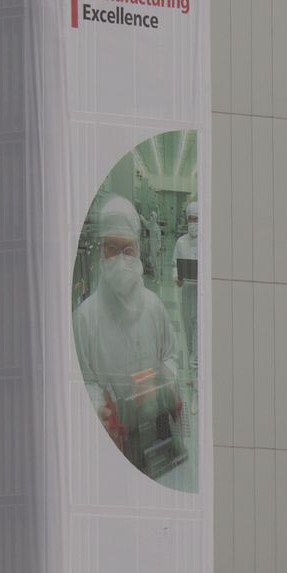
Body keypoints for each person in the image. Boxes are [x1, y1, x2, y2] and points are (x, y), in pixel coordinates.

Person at [74, 195, 187, 481]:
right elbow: (83, 380)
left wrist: (160, 382)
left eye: (128, 249)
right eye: (112, 249)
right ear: (100, 252)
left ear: (137, 250)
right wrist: (100, 408)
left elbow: (172, 355)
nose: (121, 259)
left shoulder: (153, 306)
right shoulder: (86, 318)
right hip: (113, 441)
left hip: (157, 437)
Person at [173, 199, 199, 370]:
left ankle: (196, 360)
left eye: (196, 219)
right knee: (187, 325)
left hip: (200, 292)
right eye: (190, 219)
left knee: (198, 324)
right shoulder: (181, 242)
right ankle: (191, 354)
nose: (192, 223)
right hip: (186, 290)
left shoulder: (206, 242)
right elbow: (175, 263)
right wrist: (177, 276)